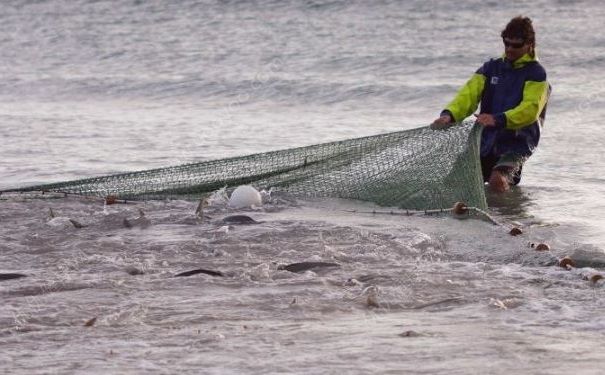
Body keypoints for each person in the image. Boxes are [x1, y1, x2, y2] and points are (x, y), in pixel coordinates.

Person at [432, 16, 550, 193]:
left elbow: (530, 110)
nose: (510, 49)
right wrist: (449, 115)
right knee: (455, 181)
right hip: (485, 139)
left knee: (497, 179)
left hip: (518, 143)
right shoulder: (490, 68)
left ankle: (504, 215)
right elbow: (468, 96)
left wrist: (498, 120)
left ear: (530, 44)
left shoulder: (537, 74)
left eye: (516, 45)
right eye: (506, 43)